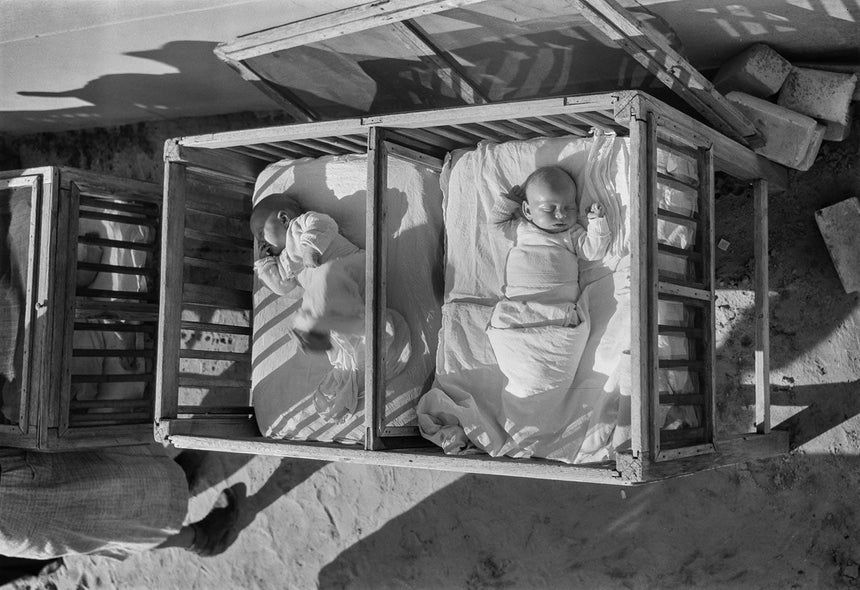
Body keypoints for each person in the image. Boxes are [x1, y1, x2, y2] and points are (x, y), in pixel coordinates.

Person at [250, 193, 411, 422]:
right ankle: (351, 344)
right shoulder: (284, 260)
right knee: (329, 320)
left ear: (283, 218)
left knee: (325, 278)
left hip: (357, 270)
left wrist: (310, 249)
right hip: (342, 299)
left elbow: (326, 225)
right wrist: (264, 264)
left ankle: (312, 326)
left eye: (260, 234)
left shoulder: (300, 226)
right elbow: (282, 287)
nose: (260, 243)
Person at [0, 444, 244, 570]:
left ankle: (170, 482)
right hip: (12, 506)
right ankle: (201, 540)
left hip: (16, 463)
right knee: (107, 523)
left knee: (105, 476)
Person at [486, 165, 611, 400]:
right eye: (549, 209)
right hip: (518, 311)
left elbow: (594, 251)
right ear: (528, 210)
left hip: (556, 312)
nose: (561, 215)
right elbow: (495, 226)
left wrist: (596, 223)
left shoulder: (571, 234)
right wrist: (508, 203)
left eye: (569, 208)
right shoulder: (520, 228)